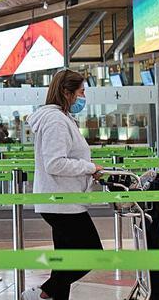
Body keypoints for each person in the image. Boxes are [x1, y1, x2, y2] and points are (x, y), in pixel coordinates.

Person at [24, 69, 103, 300]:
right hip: (62, 203)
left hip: (63, 200)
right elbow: (55, 163)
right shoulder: (55, 121)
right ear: (66, 92)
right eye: (81, 91)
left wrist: (90, 169)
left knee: (65, 260)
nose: (83, 96)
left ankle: (50, 295)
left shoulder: (62, 118)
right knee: (91, 255)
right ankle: (42, 293)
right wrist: (89, 168)